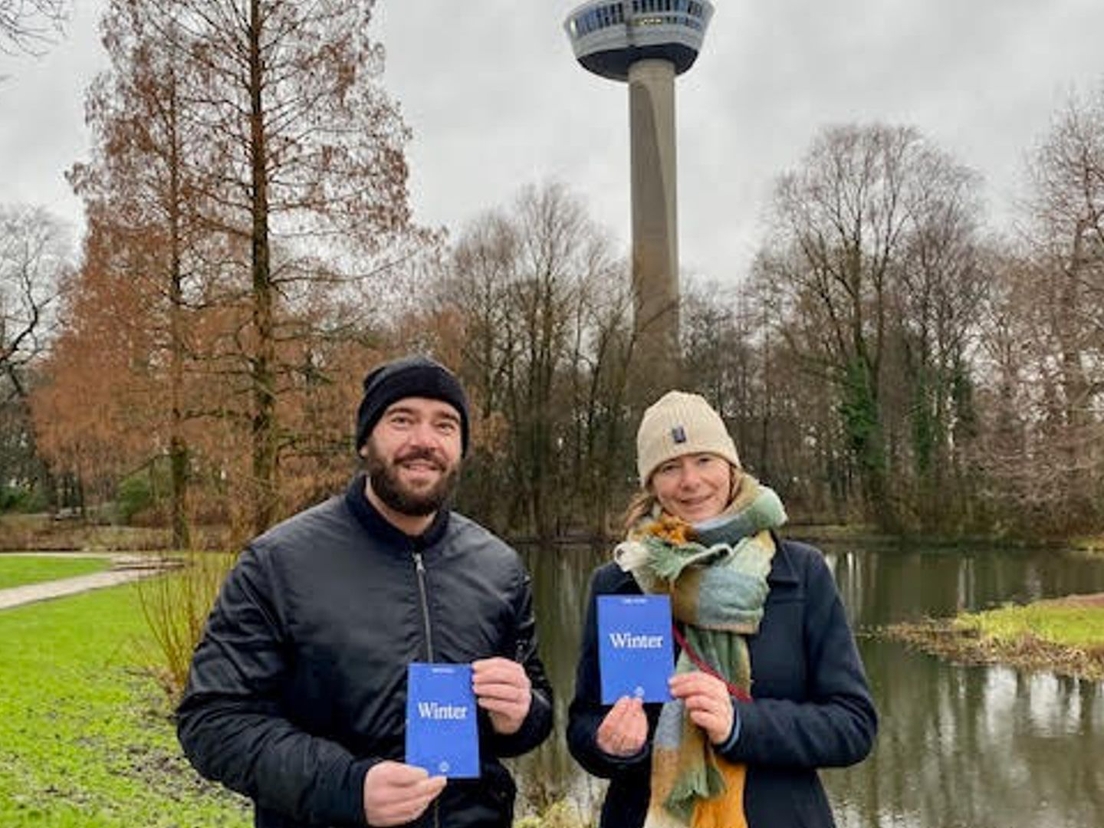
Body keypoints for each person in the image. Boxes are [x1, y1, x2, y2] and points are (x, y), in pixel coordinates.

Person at [177, 354, 554, 828]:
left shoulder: (499, 567)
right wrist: (346, 787)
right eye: (402, 420)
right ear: (365, 441)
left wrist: (522, 714)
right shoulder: (279, 563)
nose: (424, 441)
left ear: (460, 448)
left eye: (445, 425)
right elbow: (212, 721)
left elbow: (534, 706)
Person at [567, 391, 876, 828]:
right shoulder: (619, 581)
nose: (690, 481)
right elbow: (582, 726)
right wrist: (608, 745)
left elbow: (853, 726)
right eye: (670, 467)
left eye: (704, 460)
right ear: (651, 483)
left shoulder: (800, 574)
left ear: (731, 467)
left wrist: (741, 725)